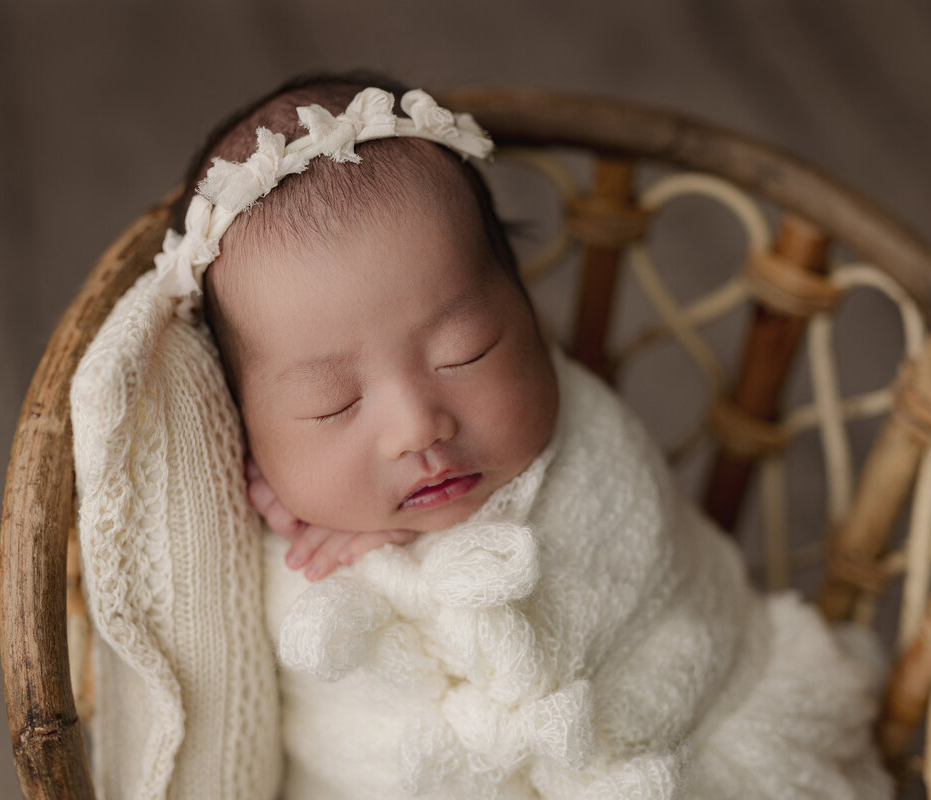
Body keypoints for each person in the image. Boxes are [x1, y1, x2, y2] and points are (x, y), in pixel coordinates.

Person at [168, 72, 892, 799]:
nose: (417, 426)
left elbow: (651, 589)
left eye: (466, 351)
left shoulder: (590, 452)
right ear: (246, 433)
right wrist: (371, 572)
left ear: (532, 321)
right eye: (334, 404)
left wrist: (425, 564)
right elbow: (330, 736)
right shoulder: (257, 545)